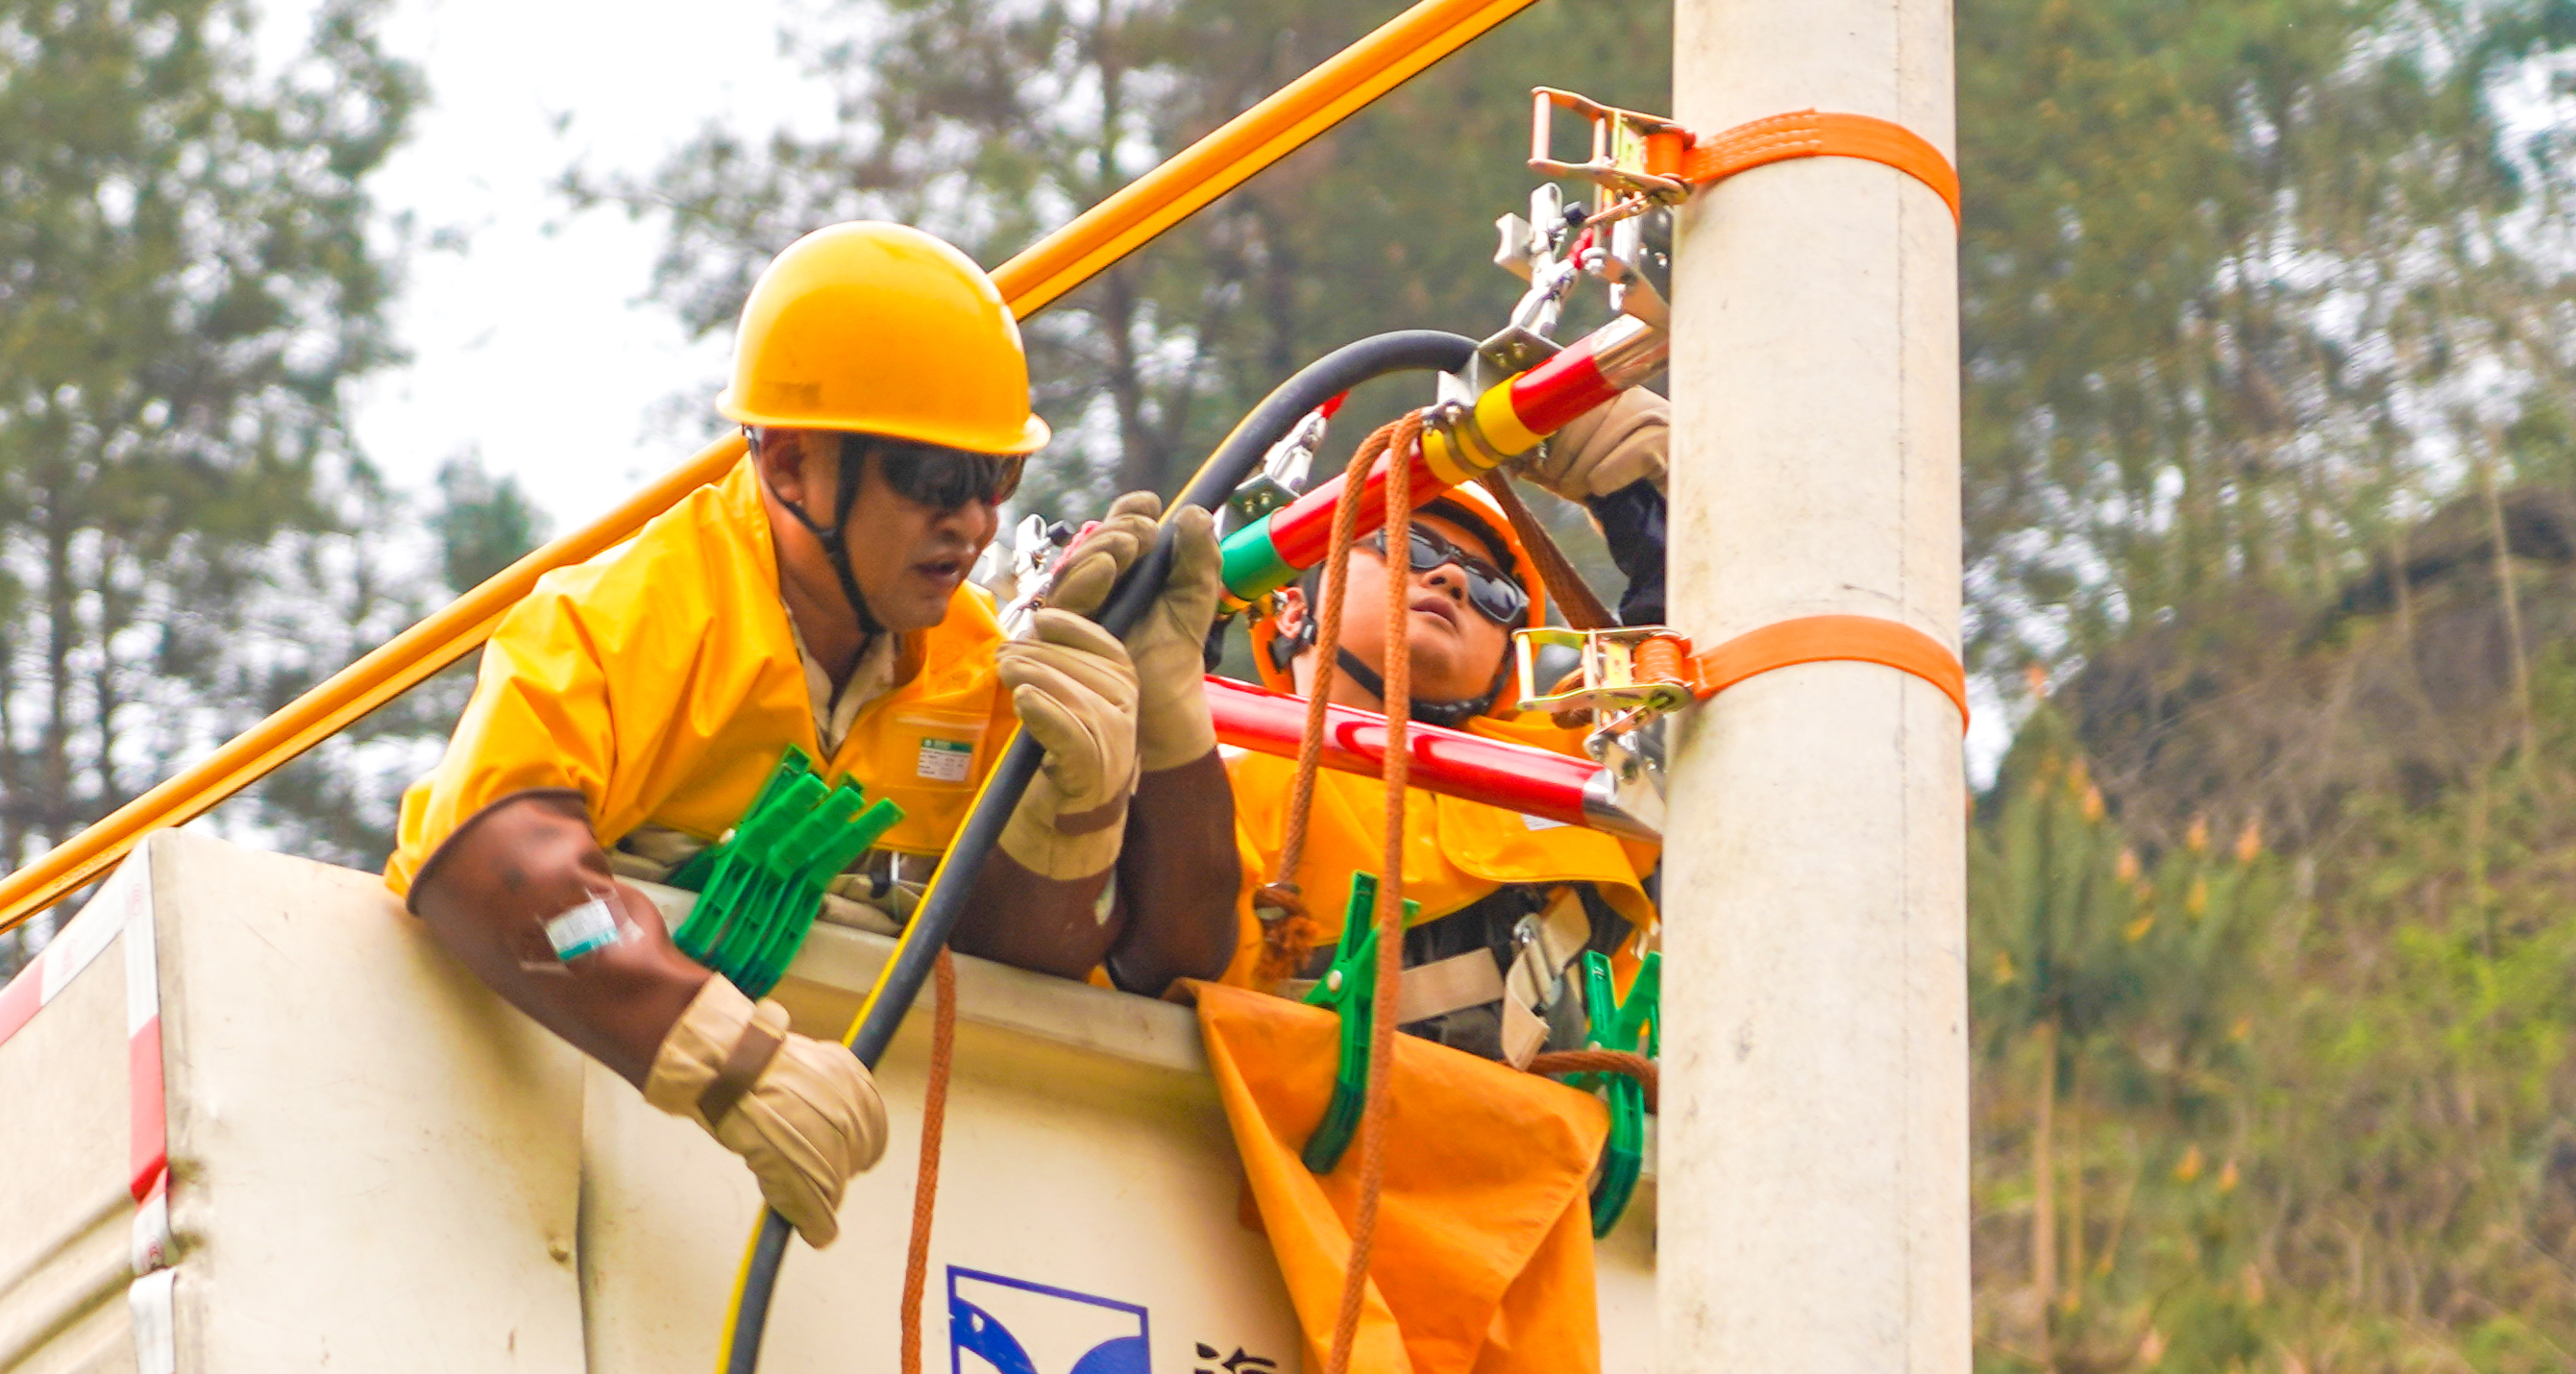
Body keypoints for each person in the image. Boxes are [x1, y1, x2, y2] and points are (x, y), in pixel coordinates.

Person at [389, 222, 1235, 1246]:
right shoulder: (634, 617)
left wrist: (1120, 775)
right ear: (792, 464)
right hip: (552, 1190)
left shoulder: (977, 670)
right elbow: (489, 857)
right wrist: (729, 1061)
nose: (971, 523)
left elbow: (1141, 970)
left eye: (994, 480)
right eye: (933, 476)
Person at [1220, 380, 1666, 1061]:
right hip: (1277, 1130)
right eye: (1410, 546)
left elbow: (1716, 707)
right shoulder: (1219, 770)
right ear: (1289, 609)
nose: (1453, 581)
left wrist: (1654, 529)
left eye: (1495, 593)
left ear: (1503, 666)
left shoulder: (1569, 763)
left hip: (1544, 1149)